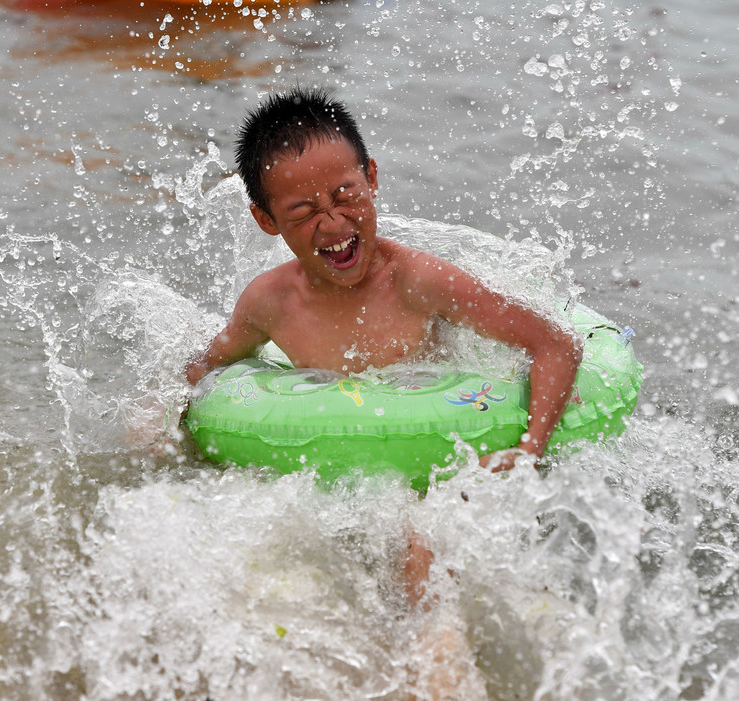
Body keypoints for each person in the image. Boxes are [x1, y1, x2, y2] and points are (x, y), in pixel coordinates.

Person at [185, 87, 582, 605]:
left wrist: (529, 450)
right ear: (267, 221)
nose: (332, 224)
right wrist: (167, 414)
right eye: (303, 212)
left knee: (419, 545)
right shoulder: (270, 303)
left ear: (372, 178)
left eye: (345, 195)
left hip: (434, 460)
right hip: (342, 469)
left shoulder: (419, 282)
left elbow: (557, 345)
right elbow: (209, 366)